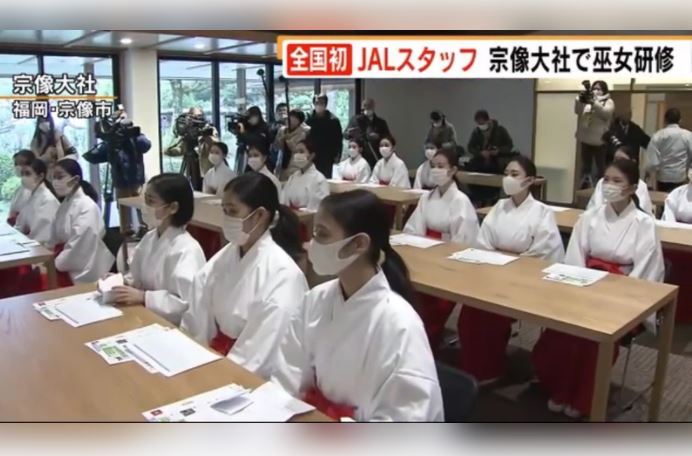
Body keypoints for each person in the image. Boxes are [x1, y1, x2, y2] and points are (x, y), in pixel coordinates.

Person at [272, 190, 443, 421]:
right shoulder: (315, 300)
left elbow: (407, 416)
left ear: (358, 244)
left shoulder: (400, 323)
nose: (312, 244)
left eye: (322, 234)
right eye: (314, 233)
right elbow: (288, 374)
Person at [532, 158, 664, 419]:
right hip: (584, 283)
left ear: (632, 188)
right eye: (606, 179)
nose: (609, 185)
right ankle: (561, 388)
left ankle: (584, 397)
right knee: (561, 330)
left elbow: (645, 270)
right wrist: (580, 286)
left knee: (593, 336)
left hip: (621, 293)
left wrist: (613, 295)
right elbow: (575, 256)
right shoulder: (590, 217)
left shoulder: (644, 223)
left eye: (617, 181)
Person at [181, 172, 309, 379]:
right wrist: (197, 355)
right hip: (212, 356)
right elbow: (199, 312)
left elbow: (261, 353)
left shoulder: (284, 275)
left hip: (248, 374)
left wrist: (217, 374)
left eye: (232, 211)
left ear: (259, 215)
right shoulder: (227, 256)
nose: (226, 218)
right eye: (224, 211)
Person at [470, 156, 564, 383]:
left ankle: (493, 365)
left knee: (493, 312)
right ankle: (479, 366)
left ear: (529, 180)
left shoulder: (542, 212)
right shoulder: (499, 207)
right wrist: (496, 262)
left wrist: (512, 264)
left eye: (514, 174)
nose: (508, 178)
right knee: (473, 311)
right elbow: (483, 242)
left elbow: (545, 251)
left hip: (525, 276)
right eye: (506, 174)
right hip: (493, 270)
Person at [403, 147, 479, 352]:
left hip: (447, 263)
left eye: (441, 166)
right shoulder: (427, 197)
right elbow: (413, 229)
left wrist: (442, 256)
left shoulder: (460, 201)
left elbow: (464, 241)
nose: (436, 170)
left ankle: (428, 346)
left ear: (452, 170)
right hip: (423, 256)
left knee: (432, 309)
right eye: (433, 166)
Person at [111, 174, 206, 326]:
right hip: (144, 314)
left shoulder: (187, 250)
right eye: (145, 199)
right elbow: (135, 276)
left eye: (150, 201)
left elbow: (184, 304)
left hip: (170, 325)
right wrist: (119, 282)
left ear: (173, 207)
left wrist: (144, 297)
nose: (144, 206)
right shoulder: (150, 238)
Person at [83, 108, 151, 234]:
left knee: (141, 204)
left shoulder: (134, 136)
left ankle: (144, 227)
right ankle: (126, 230)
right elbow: (95, 156)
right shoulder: (113, 139)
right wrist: (110, 139)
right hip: (120, 179)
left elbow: (146, 145)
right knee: (123, 206)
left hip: (137, 178)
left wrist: (134, 134)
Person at [50, 158, 115, 286]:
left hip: (83, 268)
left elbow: (80, 245)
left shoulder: (87, 207)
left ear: (75, 179)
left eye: (60, 177)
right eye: (53, 178)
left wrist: (57, 262)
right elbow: (55, 236)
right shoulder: (66, 203)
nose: (55, 182)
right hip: (66, 256)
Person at [466, 109, 515, 206]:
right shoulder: (476, 132)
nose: (481, 125)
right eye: (478, 123)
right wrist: (480, 153)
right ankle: (478, 199)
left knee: (493, 171)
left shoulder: (500, 130)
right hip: (480, 160)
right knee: (472, 168)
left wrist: (498, 151)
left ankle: (492, 198)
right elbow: (470, 147)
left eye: (482, 123)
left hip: (497, 160)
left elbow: (509, 145)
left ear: (488, 120)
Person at [587, 146, 653, 215]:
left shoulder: (641, 185)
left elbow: (644, 210)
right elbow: (592, 206)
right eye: (615, 160)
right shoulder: (602, 182)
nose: (618, 163)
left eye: (617, 181)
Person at [575, 80, 615, 188]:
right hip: (586, 138)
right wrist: (579, 99)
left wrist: (594, 103)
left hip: (600, 140)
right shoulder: (587, 101)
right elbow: (577, 111)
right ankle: (584, 187)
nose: (596, 91)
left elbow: (606, 114)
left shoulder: (608, 101)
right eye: (594, 88)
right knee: (585, 168)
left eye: (599, 89)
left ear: (604, 91)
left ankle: (601, 186)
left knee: (600, 167)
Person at [645, 108, 692, 192]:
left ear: (665, 120)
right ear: (680, 120)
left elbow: (653, 162)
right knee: (679, 198)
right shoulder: (688, 135)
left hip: (663, 177)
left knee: (663, 199)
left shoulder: (658, 135)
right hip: (680, 176)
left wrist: (651, 174)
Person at [15, 159, 59, 245]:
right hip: (30, 242)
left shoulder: (48, 200)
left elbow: (42, 237)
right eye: (22, 174)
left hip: (43, 248)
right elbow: (20, 225)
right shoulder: (31, 195)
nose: (23, 177)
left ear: (40, 176)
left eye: (27, 174)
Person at [281, 138, 330, 212]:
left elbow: (319, 208)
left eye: (301, 151)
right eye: (296, 152)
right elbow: (283, 200)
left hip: (306, 217)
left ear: (312, 155)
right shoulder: (293, 177)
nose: (297, 155)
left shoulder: (319, 179)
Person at [344, 98, 391, 168]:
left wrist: (378, 136)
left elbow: (388, 138)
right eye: (364, 109)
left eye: (369, 108)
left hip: (374, 155)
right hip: (358, 155)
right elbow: (345, 135)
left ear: (373, 108)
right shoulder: (355, 120)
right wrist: (349, 134)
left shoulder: (380, 122)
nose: (366, 111)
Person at [306, 94, 343, 178]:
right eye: (316, 102)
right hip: (311, 156)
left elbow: (338, 140)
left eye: (321, 103)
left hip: (327, 156)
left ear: (325, 104)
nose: (319, 105)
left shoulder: (333, 120)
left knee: (325, 179)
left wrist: (337, 155)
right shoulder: (308, 119)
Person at [30, 113, 78, 179]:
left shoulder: (59, 135)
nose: (44, 123)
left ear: (51, 121)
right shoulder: (35, 142)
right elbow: (35, 162)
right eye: (42, 121)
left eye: (46, 120)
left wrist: (64, 160)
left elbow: (74, 153)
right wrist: (46, 155)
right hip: (45, 175)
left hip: (61, 173)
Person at [273, 108, 311, 179]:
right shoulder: (282, 130)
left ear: (299, 121)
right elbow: (276, 147)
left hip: (295, 166)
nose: (290, 120)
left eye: (294, 118)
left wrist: (288, 139)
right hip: (282, 165)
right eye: (290, 117)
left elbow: (296, 150)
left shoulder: (304, 132)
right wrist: (280, 140)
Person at [236, 106, 272, 173]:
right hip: (250, 159)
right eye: (248, 117)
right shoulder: (248, 128)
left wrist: (243, 133)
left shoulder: (265, 128)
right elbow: (241, 141)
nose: (250, 120)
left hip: (264, 160)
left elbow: (258, 141)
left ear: (258, 116)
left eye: (252, 117)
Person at [7, 149, 36, 226]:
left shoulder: (31, 188)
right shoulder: (21, 188)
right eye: (16, 164)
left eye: (20, 163)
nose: (17, 167)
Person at [268, 102, 289, 172]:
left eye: (284, 110)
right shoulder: (270, 127)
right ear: (276, 114)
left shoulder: (291, 126)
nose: (282, 112)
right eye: (279, 110)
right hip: (273, 159)